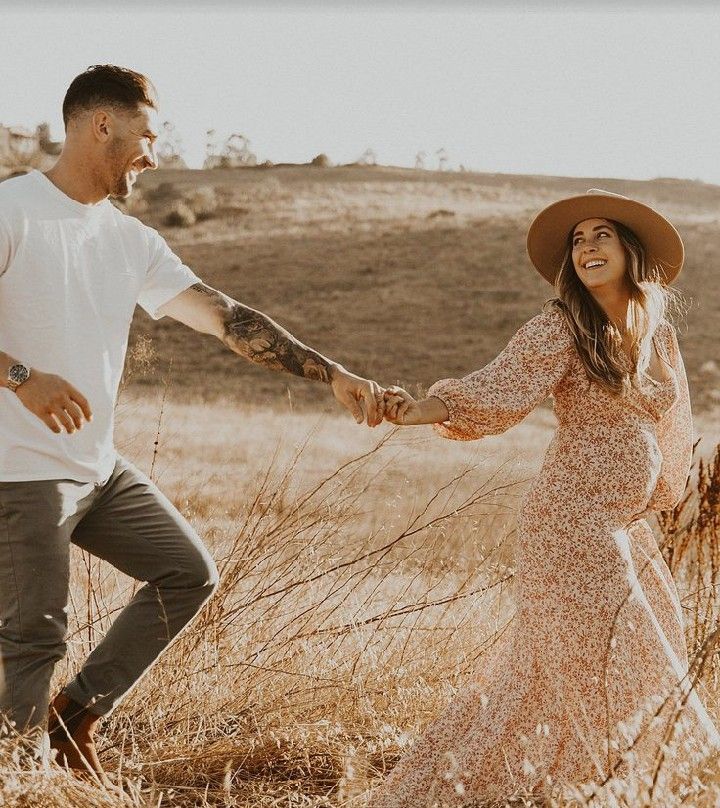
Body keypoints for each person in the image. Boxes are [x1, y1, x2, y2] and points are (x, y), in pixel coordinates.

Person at [0, 65, 384, 785]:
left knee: (187, 572)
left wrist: (333, 373)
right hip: (19, 469)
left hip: (96, 465)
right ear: (101, 124)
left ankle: (75, 718)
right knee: (32, 638)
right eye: (148, 136)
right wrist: (22, 378)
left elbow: (229, 319)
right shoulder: (12, 208)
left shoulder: (130, 240)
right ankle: (19, 781)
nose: (154, 155)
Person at [371, 190, 720, 805]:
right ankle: (666, 783)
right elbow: (500, 387)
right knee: (631, 652)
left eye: (601, 235)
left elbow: (672, 429)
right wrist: (420, 409)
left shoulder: (658, 339)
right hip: (571, 521)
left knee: (581, 664)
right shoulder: (560, 326)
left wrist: (661, 498)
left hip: (625, 526)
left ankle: (593, 788)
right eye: (578, 240)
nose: (586, 246)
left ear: (630, 252)